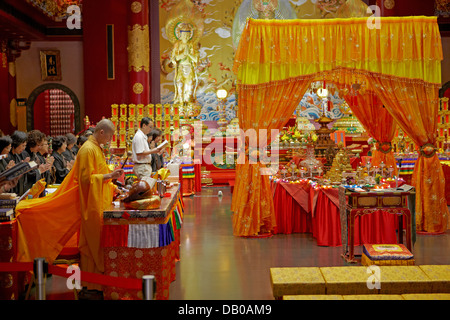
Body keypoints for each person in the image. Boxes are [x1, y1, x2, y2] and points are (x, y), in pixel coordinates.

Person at [15, 119, 124, 299]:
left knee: (96, 244)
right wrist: (109, 175)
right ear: (102, 132)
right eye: (110, 135)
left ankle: (95, 282)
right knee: (92, 244)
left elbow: (101, 173)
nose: (111, 139)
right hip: (91, 205)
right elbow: (86, 180)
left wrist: (113, 185)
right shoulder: (88, 149)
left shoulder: (96, 148)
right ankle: (91, 283)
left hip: (98, 202)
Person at [171, 23, 199, 106]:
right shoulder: (178, 44)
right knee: (180, 84)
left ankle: (189, 102)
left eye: (187, 35)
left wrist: (189, 54)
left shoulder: (191, 45)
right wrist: (183, 54)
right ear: (180, 35)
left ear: (190, 35)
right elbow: (174, 58)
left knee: (190, 84)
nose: (186, 37)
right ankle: (181, 102)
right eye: (184, 35)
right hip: (181, 67)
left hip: (189, 68)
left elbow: (196, 59)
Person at [6, 131, 28, 195]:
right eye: (22, 146)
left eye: (25, 146)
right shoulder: (7, 156)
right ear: (16, 143)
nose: (24, 148)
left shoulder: (17, 156)